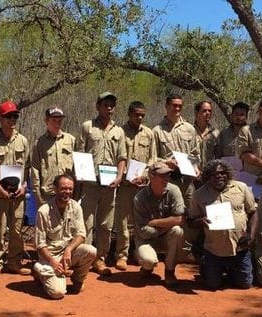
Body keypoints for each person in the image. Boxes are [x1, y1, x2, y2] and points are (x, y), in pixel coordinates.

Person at [75, 92, 127, 275]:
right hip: (90, 183)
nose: (109, 108)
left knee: (105, 224)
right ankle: (86, 257)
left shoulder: (119, 131)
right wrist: (82, 176)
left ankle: (100, 259)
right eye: (105, 104)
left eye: (112, 104)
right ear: (98, 106)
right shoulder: (87, 127)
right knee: (87, 222)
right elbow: (80, 153)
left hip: (110, 184)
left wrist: (119, 177)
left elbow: (122, 157)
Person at [188, 159, 256, 290]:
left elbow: (253, 212)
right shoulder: (198, 195)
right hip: (214, 250)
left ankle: (232, 270)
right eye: (214, 174)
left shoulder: (241, 188)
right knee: (212, 285)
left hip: (239, 248)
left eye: (222, 173)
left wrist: (250, 234)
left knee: (245, 284)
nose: (219, 176)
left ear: (228, 174)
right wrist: (200, 221)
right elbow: (191, 221)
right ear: (208, 177)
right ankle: (207, 265)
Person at [0, 100, 31, 279]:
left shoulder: (23, 140)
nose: (12, 120)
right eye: (8, 117)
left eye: (15, 116)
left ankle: (14, 262)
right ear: (0, 118)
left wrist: (25, 186)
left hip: (18, 195)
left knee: (17, 229)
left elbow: (27, 167)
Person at [33, 175, 97, 299]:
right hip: (51, 256)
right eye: (63, 188)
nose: (67, 192)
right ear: (55, 189)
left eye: (70, 189)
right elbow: (40, 244)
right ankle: (41, 272)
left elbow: (81, 234)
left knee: (91, 251)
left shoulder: (76, 207)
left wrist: (69, 249)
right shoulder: (44, 211)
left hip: (67, 253)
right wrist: (53, 262)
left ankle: (77, 279)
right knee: (58, 293)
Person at [113, 101, 156, 271]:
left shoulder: (149, 133)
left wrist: (145, 176)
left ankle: (140, 253)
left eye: (142, 115)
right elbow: (118, 157)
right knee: (122, 221)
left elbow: (153, 158)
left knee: (141, 221)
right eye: (136, 114)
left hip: (143, 186)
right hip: (125, 185)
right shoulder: (120, 132)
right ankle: (121, 255)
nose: (139, 117)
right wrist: (123, 176)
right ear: (129, 114)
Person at [133, 161, 186, 287]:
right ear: (151, 176)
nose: (166, 179)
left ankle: (169, 270)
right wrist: (167, 225)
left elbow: (180, 219)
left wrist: (155, 222)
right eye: (162, 176)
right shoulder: (140, 198)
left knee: (178, 231)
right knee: (148, 261)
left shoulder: (174, 190)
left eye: (167, 175)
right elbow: (143, 231)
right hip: (146, 240)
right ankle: (147, 268)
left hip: (166, 236)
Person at [152, 93, 200, 206]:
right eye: (174, 105)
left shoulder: (190, 129)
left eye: (180, 106)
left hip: (187, 181)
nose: (177, 108)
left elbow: (195, 153)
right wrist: (167, 162)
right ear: (166, 106)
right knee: (170, 212)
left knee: (190, 213)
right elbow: (152, 158)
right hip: (167, 180)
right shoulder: (157, 131)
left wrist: (195, 166)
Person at [30, 106, 75, 207]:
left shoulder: (71, 140)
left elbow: (78, 168)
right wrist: (38, 196)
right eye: (54, 120)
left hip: (68, 194)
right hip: (48, 195)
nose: (57, 123)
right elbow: (35, 170)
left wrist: (77, 193)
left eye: (60, 120)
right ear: (46, 121)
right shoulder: (39, 143)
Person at [194, 101, 219, 171]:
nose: (208, 113)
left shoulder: (216, 133)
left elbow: (218, 156)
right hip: (192, 174)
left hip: (210, 175)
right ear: (196, 113)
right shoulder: (189, 131)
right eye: (204, 111)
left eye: (210, 111)